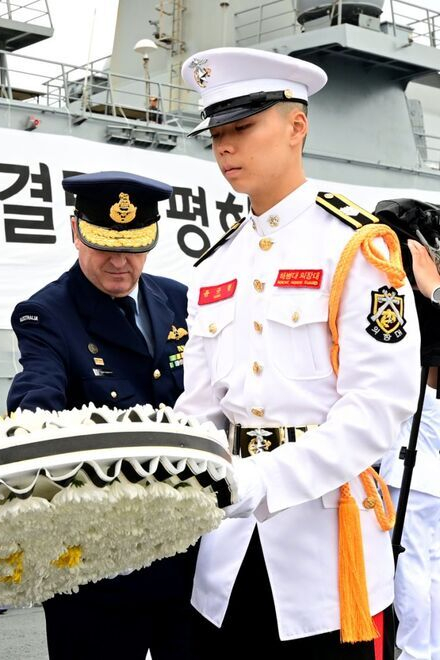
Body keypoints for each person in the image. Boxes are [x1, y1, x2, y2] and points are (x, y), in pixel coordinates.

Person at [176, 46, 420, 659]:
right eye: (216, 134)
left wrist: (261, 478)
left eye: (242, 127)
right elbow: (202, 407)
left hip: (323, 547)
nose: (226, 148)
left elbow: (376, 409)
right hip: (225, 552)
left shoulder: (356, 248)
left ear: (296, 125)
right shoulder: (215, 265)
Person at [6, 171, 196, 660]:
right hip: (98, 562)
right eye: (104, 244)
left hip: (187, 551)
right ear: (75, 232)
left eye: (133, 246)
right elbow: (37, 388)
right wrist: (30, 428)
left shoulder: (176, 299)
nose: (119, 261)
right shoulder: (46, 312)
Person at [379, 239, 440, 660]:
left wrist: (432, 290)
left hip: (416, 460)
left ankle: (417, 652)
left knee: (416, 563)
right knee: (426, 565)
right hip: (417, 455)